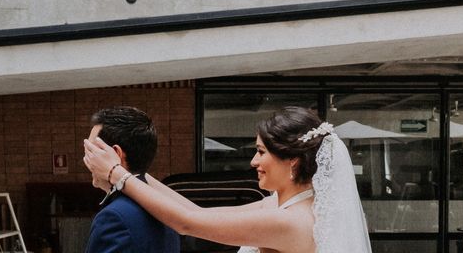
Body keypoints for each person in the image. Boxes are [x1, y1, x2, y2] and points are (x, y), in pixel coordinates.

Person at [84, 106, 372, 253]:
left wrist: (116, 173)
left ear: (292, 160)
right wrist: (133, 173)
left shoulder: (289, 221)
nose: (253, 162)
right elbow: (194, 211)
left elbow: (187, 223)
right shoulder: (285, 207)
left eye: (261, 152)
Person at [84, 106, 180, 253]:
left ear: (116, 153)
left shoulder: (114, 217)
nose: (87, 159)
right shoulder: (166, 206)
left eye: (92, 151)